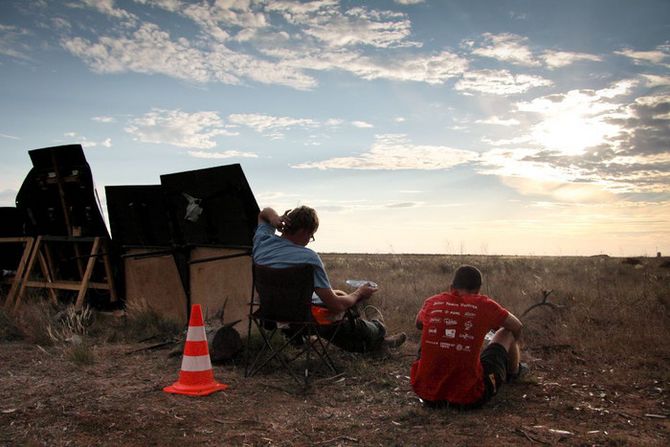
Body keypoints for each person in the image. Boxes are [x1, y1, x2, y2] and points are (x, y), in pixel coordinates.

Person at [252, 206, 406, 353]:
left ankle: (379, 343)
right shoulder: (308, 258)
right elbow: (336, 305)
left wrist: (276, 219)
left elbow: (264, 213)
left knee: (337, 294)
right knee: (338, 310)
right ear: (305, 231)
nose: (309, 240)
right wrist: (359, 293)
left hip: (270, 315)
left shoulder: (262, 242)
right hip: (303, 319)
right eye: (311, 236)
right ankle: (379, 332)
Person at [410, 265, 527, 409]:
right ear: (478, 290)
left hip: (426, 395)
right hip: (469, 398)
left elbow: (418, 324)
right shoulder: (484, 304)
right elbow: (517, 326)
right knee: (506, 332)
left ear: (451, 286)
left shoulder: (432, 302)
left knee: (433, 329)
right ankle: (513, 372)